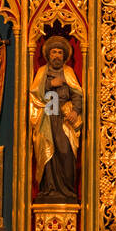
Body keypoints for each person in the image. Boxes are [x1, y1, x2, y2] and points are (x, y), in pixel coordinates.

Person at [29, 36, 83, 201]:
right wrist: (50, 85)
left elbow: (77, 94)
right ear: (48, 55)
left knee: (65, 152)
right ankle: (48, 189)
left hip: (64, 118)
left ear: (64, 55)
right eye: (54, 52)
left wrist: (75, 111)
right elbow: (34, 93)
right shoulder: (42, 72)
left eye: (60, 52)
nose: (57, 55)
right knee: (47, 153)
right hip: (46, 116)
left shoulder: (68, 72)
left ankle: (67, 190)